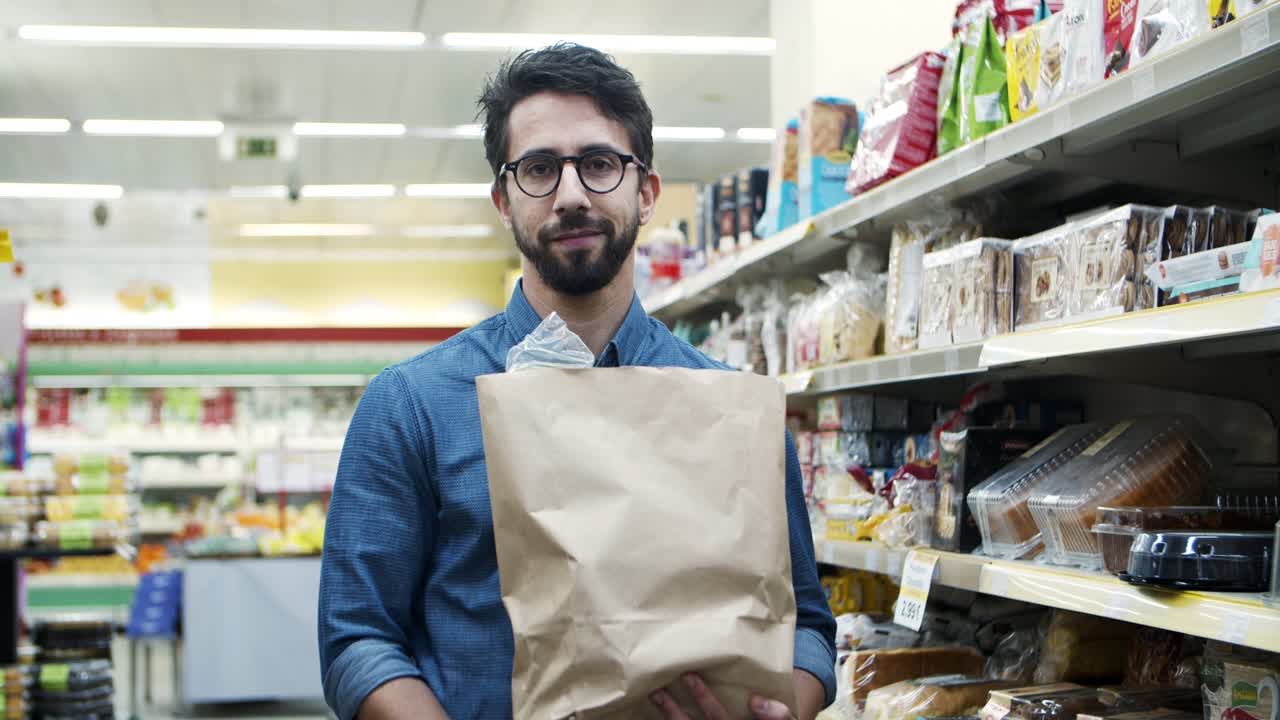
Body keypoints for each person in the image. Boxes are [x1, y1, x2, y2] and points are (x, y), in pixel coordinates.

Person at [318, 43, 836, 720]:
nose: (570, 196)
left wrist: (784, 706)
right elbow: (357, 638)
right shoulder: (412, 405)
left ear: (645, 193)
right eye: (539, 169)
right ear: (504, 201)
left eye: (598, 163)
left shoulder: (732, 410)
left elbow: (808, 627)